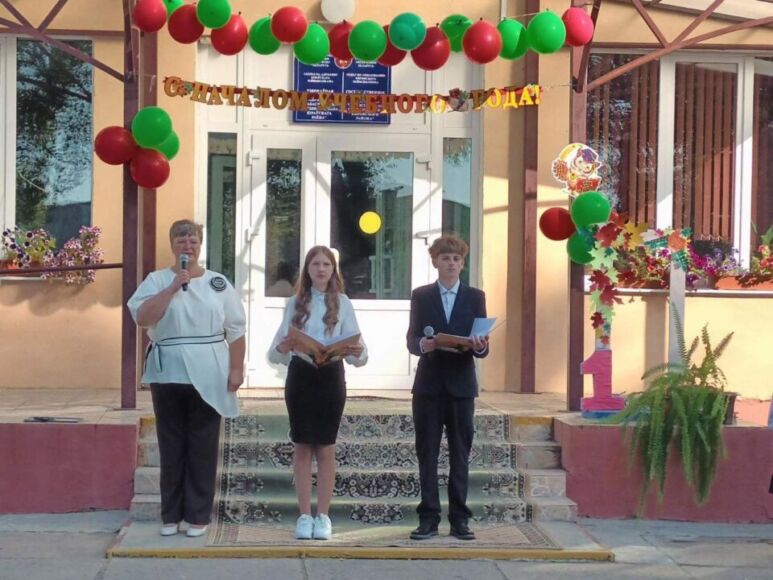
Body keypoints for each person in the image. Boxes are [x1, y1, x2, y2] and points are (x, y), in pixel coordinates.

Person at [127, 219, 246, 538]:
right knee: (171, 444)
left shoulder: (217, 282)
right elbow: (142, 317)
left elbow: (236, 329)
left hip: (209, 369)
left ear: (200, 245)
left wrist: (236, 368)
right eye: (181, 240)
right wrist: (171, 288)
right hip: (169, 372)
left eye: (193, 241)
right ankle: (171, 515)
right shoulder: (156, 280)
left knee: (203, 445)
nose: (187, 246)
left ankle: (197, 515)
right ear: (172, 245)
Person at [268, 246, 367, 540]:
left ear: (333, 270)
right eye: (315, 264)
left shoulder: (344, 303)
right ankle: (304, 516)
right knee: (302, 446)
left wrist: (356, 351)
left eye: (326, 264)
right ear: (307, 270)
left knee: (325, 447)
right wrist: (284, 347)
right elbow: (274, 352)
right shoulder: (295, 303)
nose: (321, 269)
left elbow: (361, 353)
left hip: (331, 377)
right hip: (301, 376)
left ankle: (323, 516)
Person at [406, 235, 489, 541]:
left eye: (456, 259)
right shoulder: (422, 295)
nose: (451, 264)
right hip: (429, 385)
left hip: (461, 386)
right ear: (435, 262)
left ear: (462, 263)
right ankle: (428, 518)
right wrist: (423, 344)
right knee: (427, 453)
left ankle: (460, 519)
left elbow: (483, 345)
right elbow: (411, 339)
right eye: (445, 258)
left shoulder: (475, 296)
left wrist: (479, 345)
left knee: (460, 454)